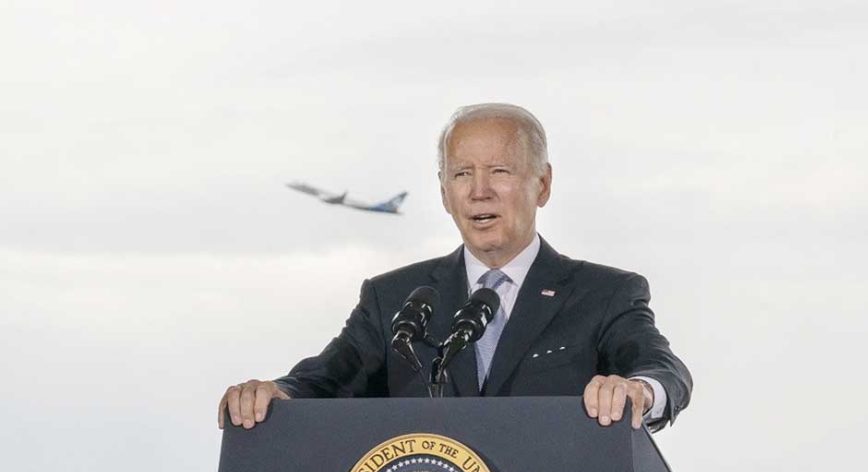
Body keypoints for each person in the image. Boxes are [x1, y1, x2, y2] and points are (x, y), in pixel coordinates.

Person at [218, 103, 692, 433]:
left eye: (500, 172)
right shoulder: (395, 298)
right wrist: (273, 393)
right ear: (444, 192)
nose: (478, 191)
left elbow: (664, 371)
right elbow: (324, 380)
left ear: (542, 185)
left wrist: (638, 391)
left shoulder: (604, 294)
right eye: (461, 174)